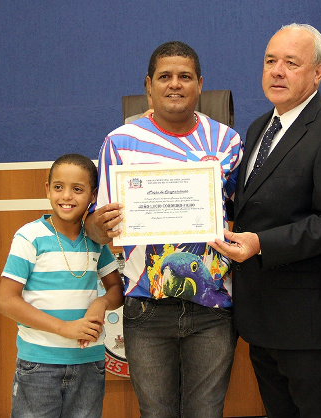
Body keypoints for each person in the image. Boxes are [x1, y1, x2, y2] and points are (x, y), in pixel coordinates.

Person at [210, 24, 321, 418]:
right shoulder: (259, 127)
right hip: (260, 319)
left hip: (309, 322)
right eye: (270, 61)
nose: (277, 71)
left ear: (318, 73)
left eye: (291, 63)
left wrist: (261, 243)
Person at [85, 41, 243, 418]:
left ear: (200, 84)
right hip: (145, 307)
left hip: (213, 306)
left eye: (185, 76)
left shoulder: (228, 142)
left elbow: (248, 212)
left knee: (206, 412)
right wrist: (99, 225)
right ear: (148, 85)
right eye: (165, 77)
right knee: (156, 414)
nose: (175, 84)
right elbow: (94, 228)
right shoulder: (119, 143)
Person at [0, 153, 124, 418]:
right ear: (47, 189)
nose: (66, 196)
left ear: (93, 196)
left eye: (77, 189)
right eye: (58, 187)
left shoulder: (96, 242)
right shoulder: (29, 237)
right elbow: (6, 301)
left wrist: (100, 302)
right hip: (39, 366)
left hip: (89, 365)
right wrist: (64, 328)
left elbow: (116, 290)